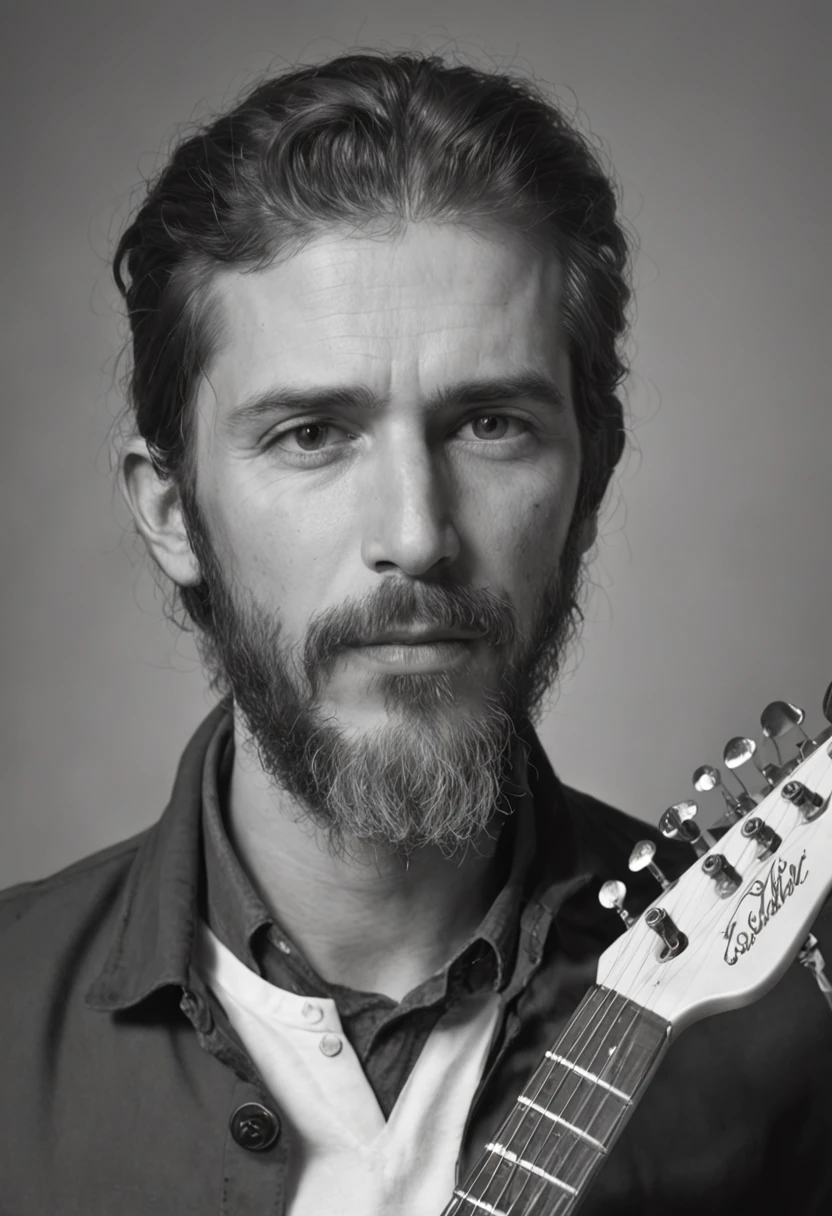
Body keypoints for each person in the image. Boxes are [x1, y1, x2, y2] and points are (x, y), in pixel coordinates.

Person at [1, 49, 830, 1216]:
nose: (416, 533)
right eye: (310, 434)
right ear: (174, 512)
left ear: (589, 483)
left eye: (489, 424)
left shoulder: (795, 1045)